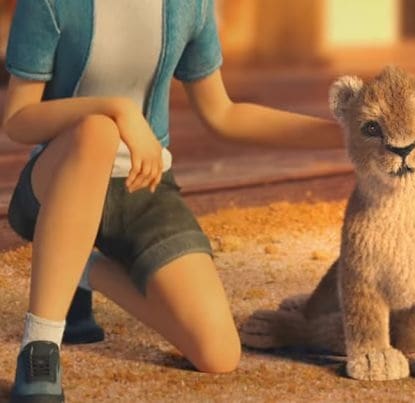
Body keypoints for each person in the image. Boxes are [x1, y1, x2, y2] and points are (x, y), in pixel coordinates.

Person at [3, 1, 343, 401]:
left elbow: (223, 113)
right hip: (58, 182)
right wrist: (116, 110)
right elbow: (19, 119)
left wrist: (346, 135)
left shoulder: (188, 7)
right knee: (98, 132)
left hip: (145, 187)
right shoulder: (51, 4)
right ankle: (40, 346)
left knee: (218, 353)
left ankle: (81, 270)